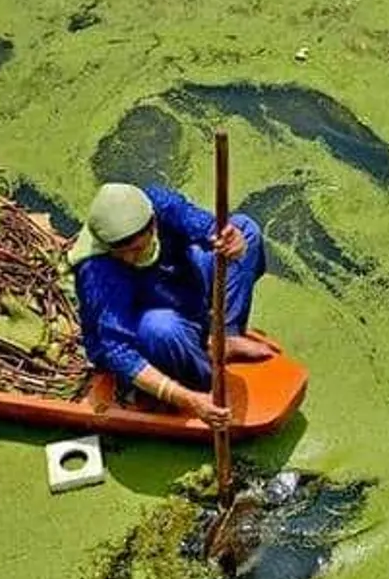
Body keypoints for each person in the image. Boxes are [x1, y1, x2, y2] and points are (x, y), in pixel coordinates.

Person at [68, 182, 277, 428]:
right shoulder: (98, 270)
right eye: (120, 252)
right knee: (160, 328)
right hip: (143, 324)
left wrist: (231, 240)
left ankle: (224, 336)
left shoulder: (158, 203)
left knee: (246, 229)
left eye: (136, 249)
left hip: (177, 286)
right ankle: (200, 379)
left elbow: (209, 228)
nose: (128, 258)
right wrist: (188, 400)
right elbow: (116, 350)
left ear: (153, 225)